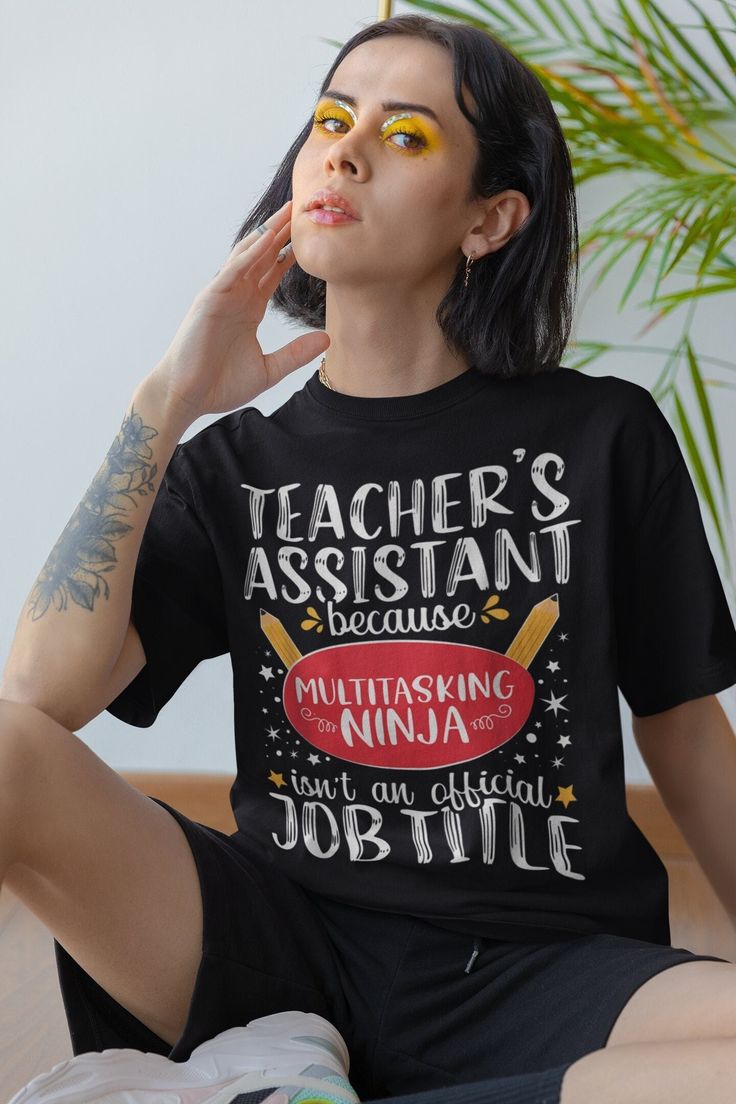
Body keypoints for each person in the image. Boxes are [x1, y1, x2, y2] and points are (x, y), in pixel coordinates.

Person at [2, 12, 736, 1104]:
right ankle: (282, 1074)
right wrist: (165, 403)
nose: (342, 150)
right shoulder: (234, 471)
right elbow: (36, 703)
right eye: (333, 119)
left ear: (490, 217)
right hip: (275, 953)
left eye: (405, 136)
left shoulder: (602, 436)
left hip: (543, 967)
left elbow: (681, 727)